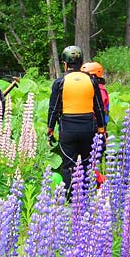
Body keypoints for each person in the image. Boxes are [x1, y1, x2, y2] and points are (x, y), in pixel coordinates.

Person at [47, 46, 106, 193]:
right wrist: (101, 129)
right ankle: (86, 197)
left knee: (69, 165)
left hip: (68, 127)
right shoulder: (92, 81)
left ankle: (70, 198)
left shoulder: (60, 82)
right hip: (88, 127)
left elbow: (53, 109)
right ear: (81, 63)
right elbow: (99, 108)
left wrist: (50, 129)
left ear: (65, 64)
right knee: (86, 163)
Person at [80, 61, 110, 127]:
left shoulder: (100, 89)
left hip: (96, 123)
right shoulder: (95, 87)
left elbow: (100, 107)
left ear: (93, 75)